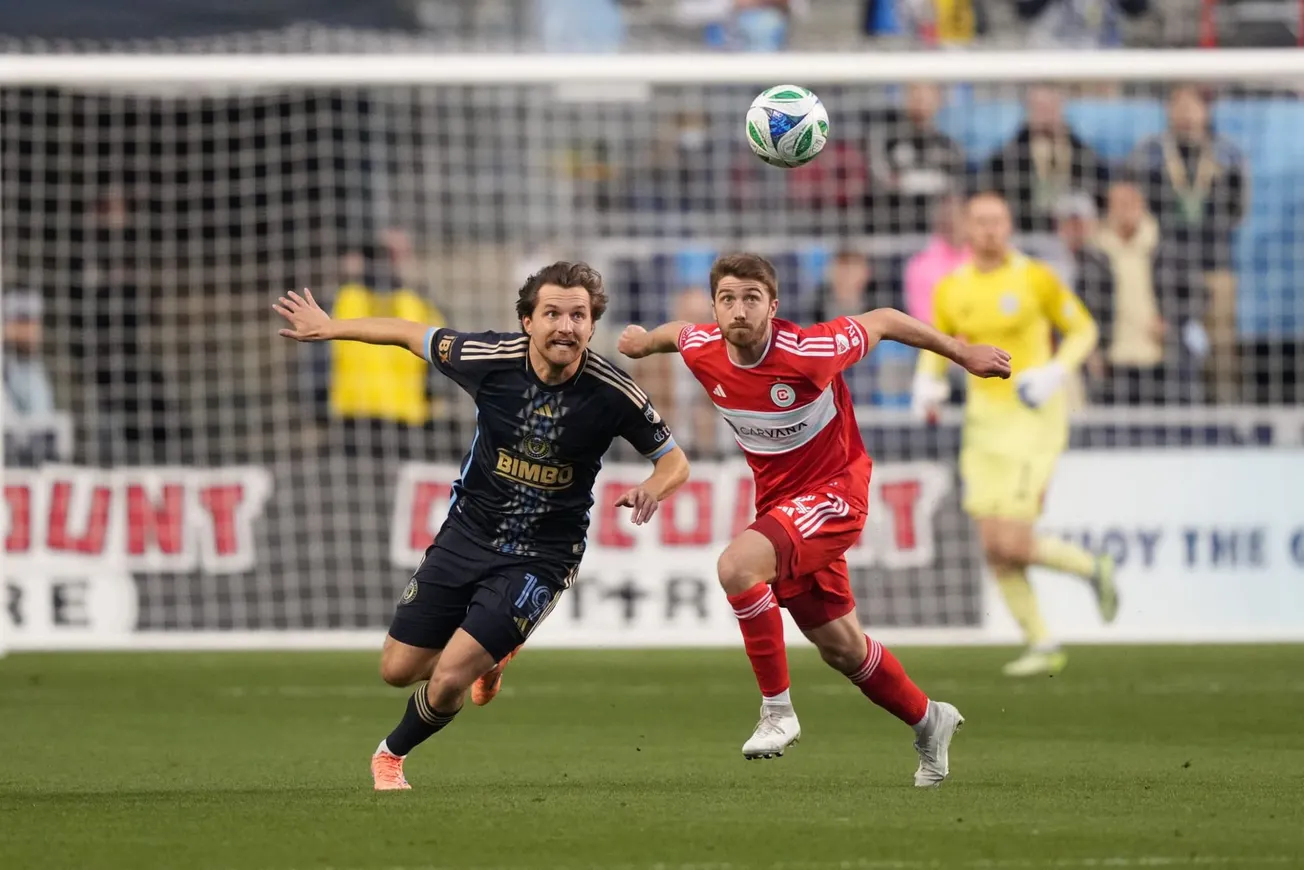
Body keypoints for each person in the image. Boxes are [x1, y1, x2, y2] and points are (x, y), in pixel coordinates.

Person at [274, 261, 690, 791]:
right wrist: (332, 328)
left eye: (578, 316)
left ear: (592, 324)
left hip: (543, 555)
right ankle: (493, 654)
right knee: (397, 670)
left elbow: (675, 462)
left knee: (450, 675)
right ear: (527, 322)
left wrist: (652, 489)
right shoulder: (488, 358)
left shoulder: (613, 392)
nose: (566, 326)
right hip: (466, 535)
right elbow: (408, 334)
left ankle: (391, 755)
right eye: (553, 313)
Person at [618, 253, 1011, 787]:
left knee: (736, 567)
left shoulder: (810, 351)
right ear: (715, 308)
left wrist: (962, 353)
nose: (738, 310)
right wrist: (643, 342)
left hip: (836, 494)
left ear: (773, 306)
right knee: (842, 649)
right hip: (781, 508)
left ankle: (778, 712)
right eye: (727, 299)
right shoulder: (702, 346)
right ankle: (929, 721)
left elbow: (887, 320)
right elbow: (676, 334)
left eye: (751, 299)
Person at [911, 192, 1118, 678]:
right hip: (982, 428)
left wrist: (1054, 372)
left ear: (1009, 226)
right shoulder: (951, 288)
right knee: (993, 545)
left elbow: (1084, 329)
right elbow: (937, 342)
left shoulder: (1035, 277)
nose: (988, 230)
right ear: (965, 228)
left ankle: (1093, 568)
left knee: (1015, 541)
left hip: (1033, 422)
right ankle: (1042, 641)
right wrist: (928, 382)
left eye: (997, 221)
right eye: (979, 221)